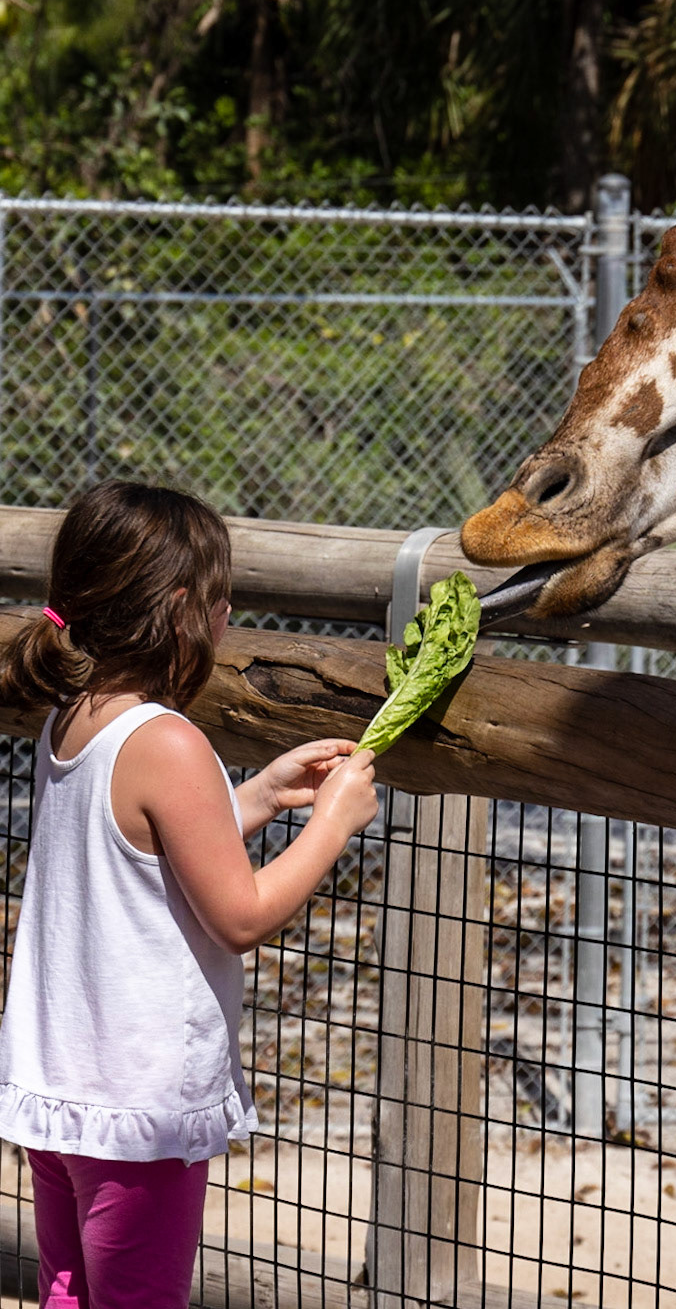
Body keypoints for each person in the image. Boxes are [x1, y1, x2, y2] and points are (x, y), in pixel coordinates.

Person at [0, 479, 379, 1308]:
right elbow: (239, 914)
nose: (226, 611)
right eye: (217, 597)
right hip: (139, 1111)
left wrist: (263, 794)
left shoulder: (74, 717)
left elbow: (137, 850)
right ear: (178, 609)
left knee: (68, 1291)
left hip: (67, 1096)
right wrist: (334, 823)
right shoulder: (170, 741)